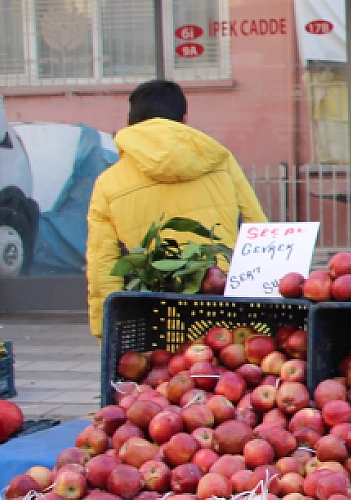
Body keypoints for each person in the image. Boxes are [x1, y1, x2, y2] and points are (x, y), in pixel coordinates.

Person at [87, 80, 267, 336]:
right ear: (184, 120)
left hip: (157, 310)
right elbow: (257, 229)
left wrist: (104, 329)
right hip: (224, 303)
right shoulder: (219, 161)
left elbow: (103, 265)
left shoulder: (108, 183)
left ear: (129, 123)